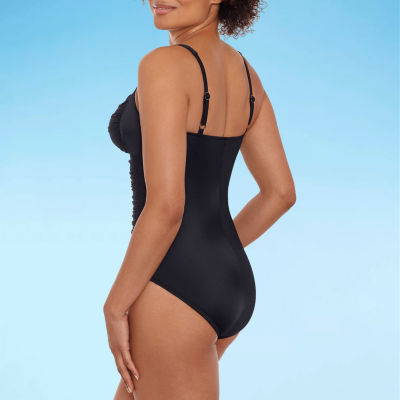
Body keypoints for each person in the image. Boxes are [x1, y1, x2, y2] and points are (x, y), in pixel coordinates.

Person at [104, 0, 296, 398]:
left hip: (173, 290)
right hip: (229, 280)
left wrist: (115, 306)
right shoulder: (246, 74)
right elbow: (279, 193)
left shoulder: (163, 65)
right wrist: (212, 253)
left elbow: (167, 206)